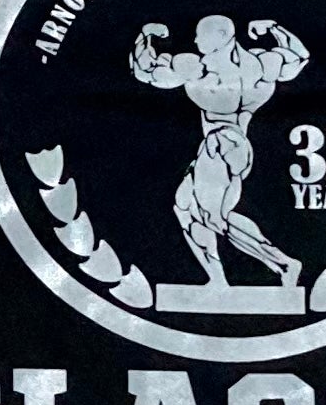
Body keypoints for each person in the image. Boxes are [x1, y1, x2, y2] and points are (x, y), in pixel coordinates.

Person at [129, 15, 309, 289]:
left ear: (222, 36)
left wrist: (145, 36)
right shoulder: (262, 65)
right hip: (239, 145)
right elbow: (298, 57)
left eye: (201, 35)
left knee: (214, 217)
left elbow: (146, 71)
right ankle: (218, 281)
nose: (195, 40)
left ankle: (283, 263)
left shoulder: (198, 69)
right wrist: (274, 28)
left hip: (218, 142)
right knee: (185, 207)